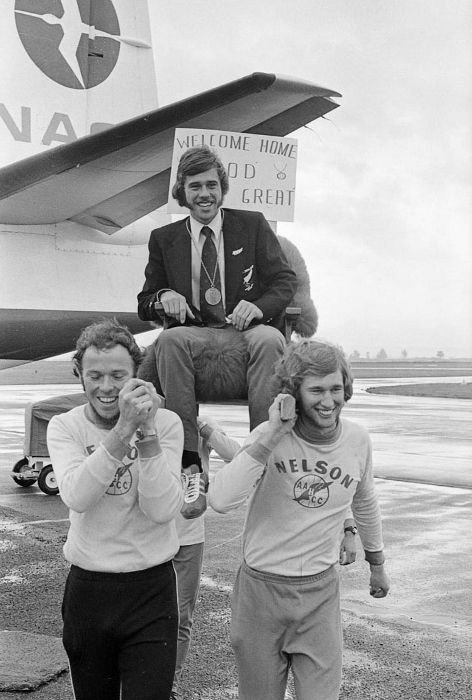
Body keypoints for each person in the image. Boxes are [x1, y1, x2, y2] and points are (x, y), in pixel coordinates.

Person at [209, 339, 390, 700]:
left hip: (319, 594)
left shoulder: (357, 440)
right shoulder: (269, 436)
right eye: (316, 390)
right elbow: (221, 500)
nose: (328, 401)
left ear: (347, 388)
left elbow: (365, 500)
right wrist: (274, 432)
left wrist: (377, 562)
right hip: (261, 593)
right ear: (293, 392)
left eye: (336, 388)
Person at [137, 145, 297, 472]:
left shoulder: (251, 225)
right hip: (196, 333)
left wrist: (256, 306)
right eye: (195, 186)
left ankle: (262, 454)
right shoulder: (163, 239)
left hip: (247, 332)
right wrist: (164, 295)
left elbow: (284, 281)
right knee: (169, 341)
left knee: (269, 340)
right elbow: (145, 302)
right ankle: (188, 461)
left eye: (211, 185)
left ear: (222, 188)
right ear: (181, 192)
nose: (205, 194)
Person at [46, 320, 184, 700]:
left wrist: (149, 432)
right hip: (90, 590)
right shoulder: (64, 427)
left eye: (118, 375)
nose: (106, 388)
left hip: (150, 589)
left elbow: (161, 509)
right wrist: (124, 430)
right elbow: (77, 495)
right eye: (95, 375)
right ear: (80, 375)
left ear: (136, 374)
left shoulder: (168, 423)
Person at [172, 415, 240, 700]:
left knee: (180, 616)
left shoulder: (199, 425)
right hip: (148, 538)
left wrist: (205, 430)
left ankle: (169, 685)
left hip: (188, 538)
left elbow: (238, 456)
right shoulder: (154, 422)